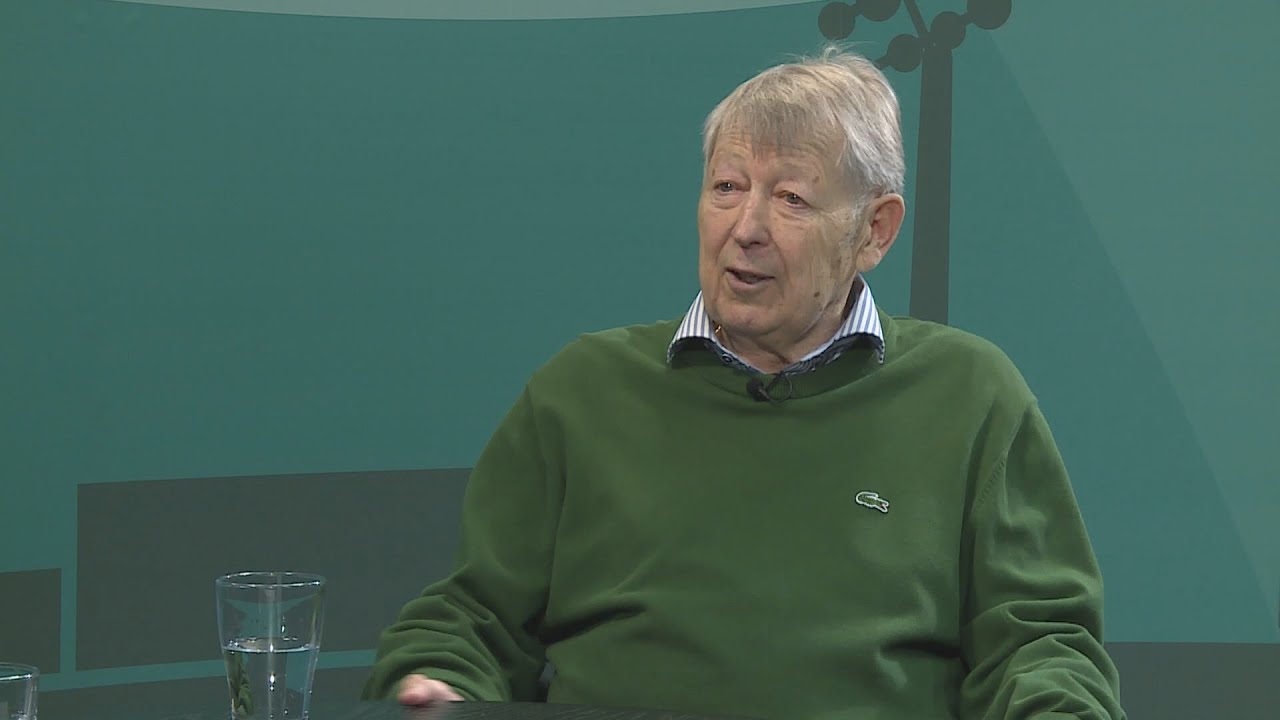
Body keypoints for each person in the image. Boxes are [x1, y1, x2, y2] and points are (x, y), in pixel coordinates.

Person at [362, 46, 1126, 720]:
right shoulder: (582, 390)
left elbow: (1039, 644)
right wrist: (439, 682)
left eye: (791, 198)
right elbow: (472, 620)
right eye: (727, 186)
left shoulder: (970, 396)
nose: (746, 227)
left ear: (875, 230)